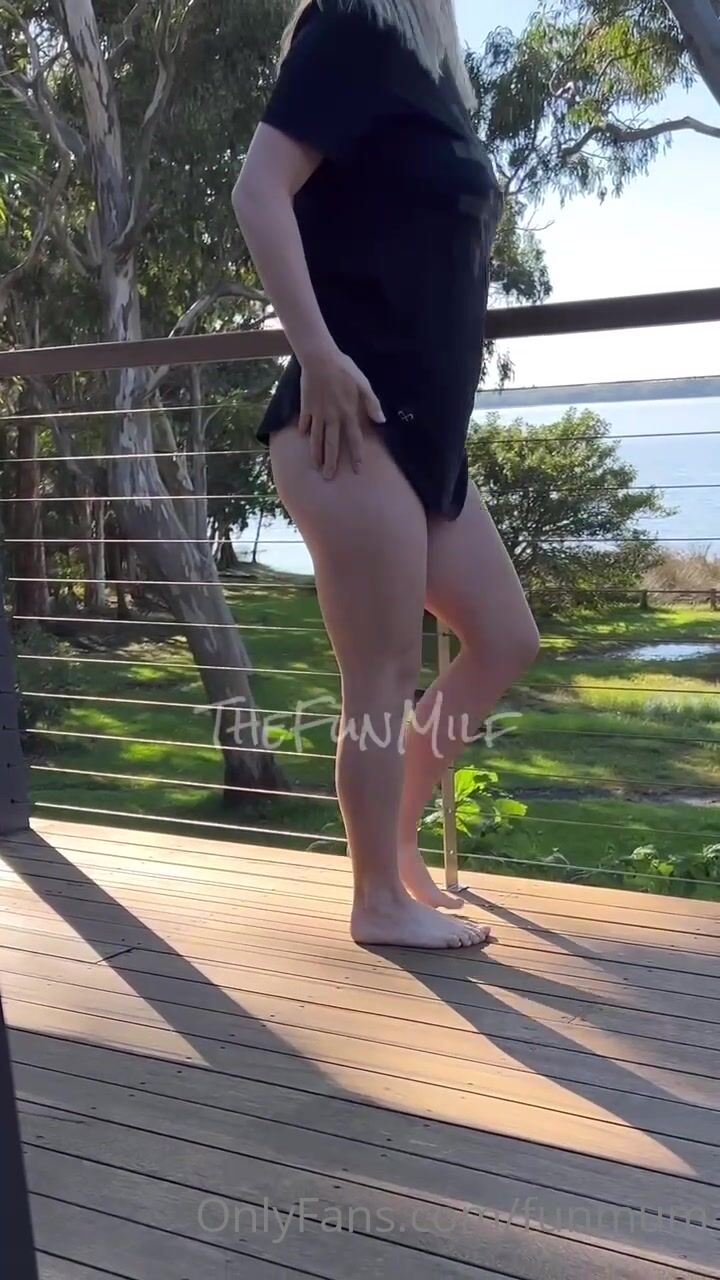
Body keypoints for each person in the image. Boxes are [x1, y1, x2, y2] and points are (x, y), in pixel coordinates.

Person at [233, 0, 540, 949]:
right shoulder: (353, 28)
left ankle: (395, 851)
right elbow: (257, 190)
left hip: (425, 431)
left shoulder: (428, 67)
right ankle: (375, 899)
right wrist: (317, 354)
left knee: (504, 638)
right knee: (381, 672)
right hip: (351, 421)